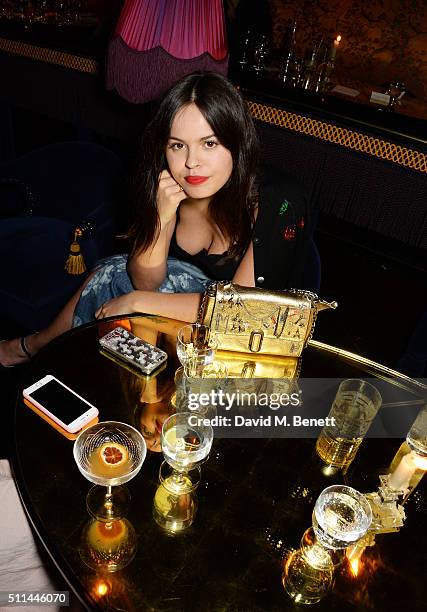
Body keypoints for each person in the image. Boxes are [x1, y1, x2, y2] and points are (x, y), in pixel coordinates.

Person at [0, 71, 311, 368]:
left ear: (237, 142)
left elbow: (240, 312)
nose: (191, 162)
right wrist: (162, 219)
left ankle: (34, 348)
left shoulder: (279, 200)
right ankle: (38, 349)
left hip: (252, 336)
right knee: (113, 273)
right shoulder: (166, 182)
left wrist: (139, 302)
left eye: (210, 143)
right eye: (178, 145)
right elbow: (145, 280)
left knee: (123, 293)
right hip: (179, 322)